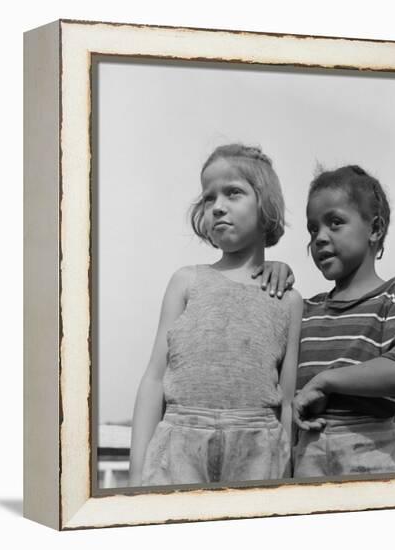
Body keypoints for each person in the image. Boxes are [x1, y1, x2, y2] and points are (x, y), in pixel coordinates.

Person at [129, 144, 303, 487]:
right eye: (209, 198)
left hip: (259, 450)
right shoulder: (186, 281)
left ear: (265, 202)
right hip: (179, 443)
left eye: (233, 192)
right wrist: (136, 471)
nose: (218, 206)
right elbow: (154, 378)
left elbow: (287, 400)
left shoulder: (287, 299)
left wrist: (288, 479)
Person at [259, 165, 395, 476]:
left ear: (375, 229)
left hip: (377, 451)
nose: (320, 238)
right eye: (312, 229)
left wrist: (328, 380)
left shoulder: (394, 295)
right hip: (306, 453)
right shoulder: (305, 309)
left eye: (335, 223)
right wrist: (269, 273)